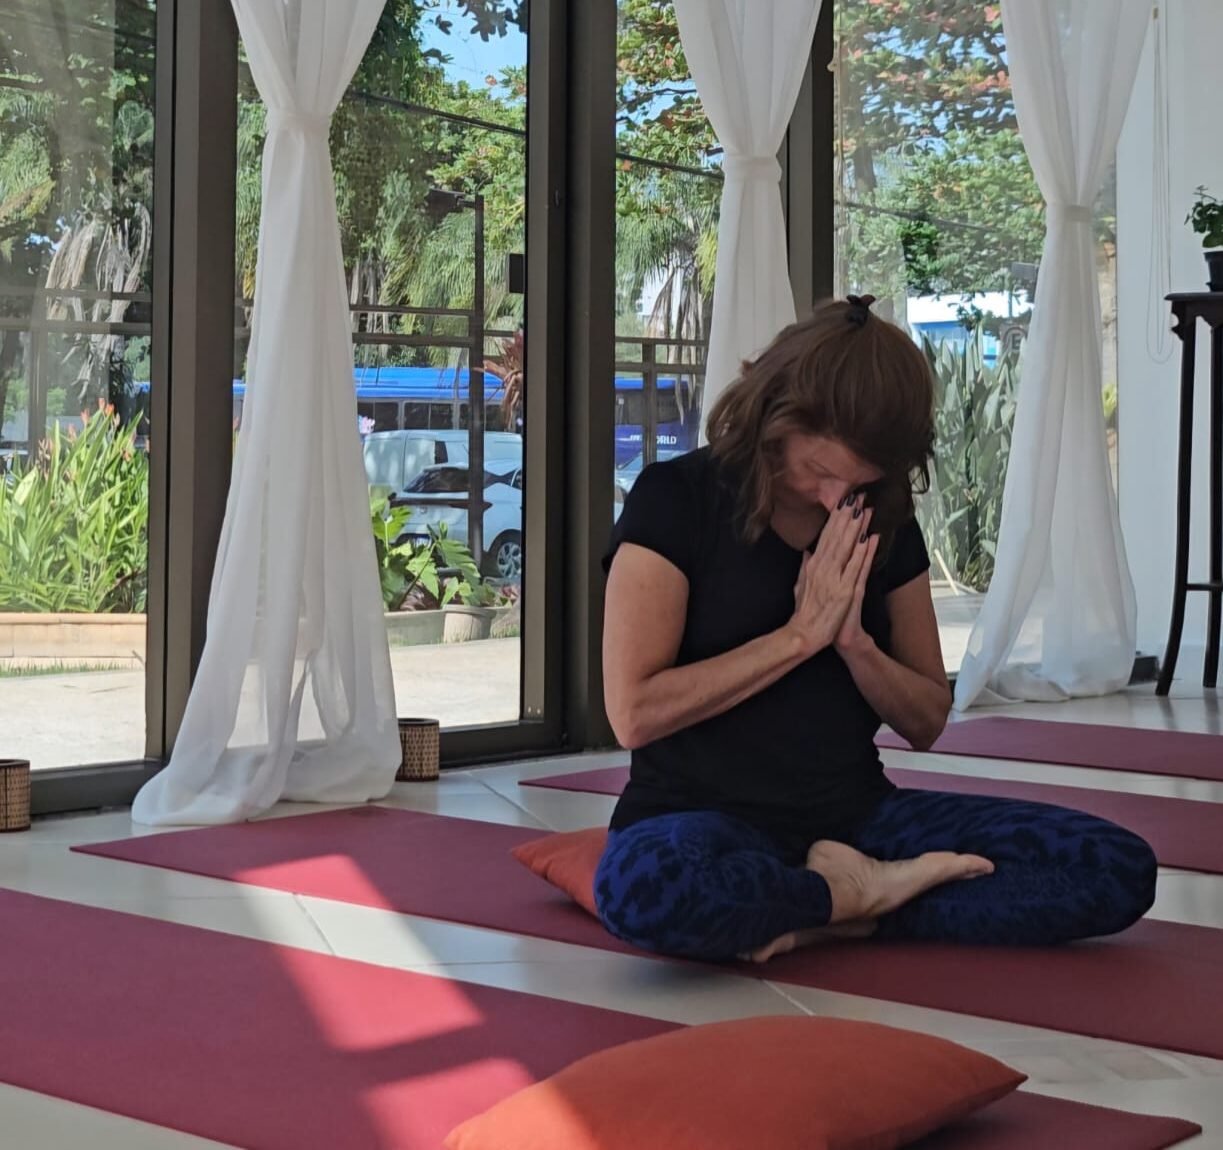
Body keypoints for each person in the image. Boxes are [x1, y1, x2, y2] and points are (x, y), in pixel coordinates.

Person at [594, 296, 1157, 964]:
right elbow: (633, 714)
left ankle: (828, 903)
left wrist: (853, 643)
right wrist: (799, 636)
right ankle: (856, 901)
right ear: (776, 418)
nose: (839, 498)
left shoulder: (881, 518)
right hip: (698, 820)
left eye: (859, 480)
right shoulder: (675, 499)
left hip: (857, 822)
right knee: (649, 889)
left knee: (1111, 865)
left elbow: (925, 718)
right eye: (820, 471)